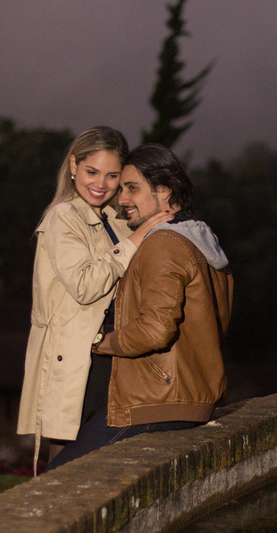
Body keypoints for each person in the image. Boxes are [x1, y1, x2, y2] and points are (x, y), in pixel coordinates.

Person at [44, 143, 233, 471]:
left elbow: (155, 330)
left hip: (156, 401)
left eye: (132, 188)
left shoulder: (163, 243)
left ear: (164, 191)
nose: (122, 199)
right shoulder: (202, 242)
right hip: (193, 398)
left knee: (56, 481)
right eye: (121, 189)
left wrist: (99, 341)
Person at [17, 126, 170, 474]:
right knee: (66, 464)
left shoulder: (115, 220)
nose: (101, 184)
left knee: (98, 463)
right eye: (92, 171)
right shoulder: (63, 217)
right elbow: (85, 285)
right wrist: (137, 238)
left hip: (109, 353)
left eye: (112, 175)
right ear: (74, 166)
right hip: (74, 356)